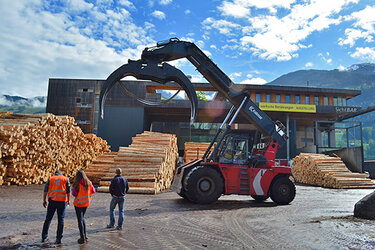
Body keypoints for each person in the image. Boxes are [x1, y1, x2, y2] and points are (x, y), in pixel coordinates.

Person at [42, 169, 70, 244]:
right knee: (61, 220)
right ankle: (58, 238)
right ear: (61, 174)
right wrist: (68, 200)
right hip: (62, 202)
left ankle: (44, 237)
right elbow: (68, 190)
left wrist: (44, 200)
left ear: (55, 174)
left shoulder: (50, 179)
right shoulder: (65, 179)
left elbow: (45, 190)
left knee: (48, 219)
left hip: (52, 201)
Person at [72, 169, 96, 244]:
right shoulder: (89, 183)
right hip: (86, 203)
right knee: (82, 219)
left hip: (78, 204)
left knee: (80, 220)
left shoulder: (77, 184)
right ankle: (85, 236)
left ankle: (82, 237)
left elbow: (74, 194)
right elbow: (93, 191)